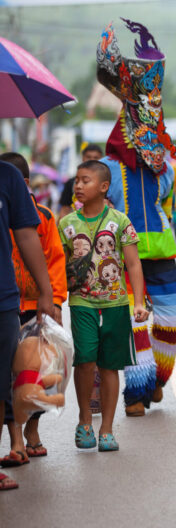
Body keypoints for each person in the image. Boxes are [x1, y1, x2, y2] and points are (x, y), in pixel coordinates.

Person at [96, 19, 176, 416]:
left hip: (162, 250)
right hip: (122, 255)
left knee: (174, 314)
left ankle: (156, 380)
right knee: (136, 318)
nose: (152, 120)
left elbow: (167, 199)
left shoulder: (164, 167)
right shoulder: (106, 168)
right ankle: (135, 391)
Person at [59, 160, 148, 452]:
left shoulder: (120, 222)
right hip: (82, 302)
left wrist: (138, 301)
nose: (79, 186)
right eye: (77, 181)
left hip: (116, 304)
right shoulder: (67, 224)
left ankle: (107, 429)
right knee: (85, 359)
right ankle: (85, 420)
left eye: (85, 180)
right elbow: (58, 266)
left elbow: (133, 263)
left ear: (104, 187)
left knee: (110, 366)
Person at [0, 152, 66, 468]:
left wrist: (52, 299)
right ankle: (14, 438)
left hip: (32, 308)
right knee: (8, 377)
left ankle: (32, 430)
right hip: (10, 305)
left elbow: (53, 260)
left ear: (22, 184)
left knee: (36, 374)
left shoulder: (44, 218)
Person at [58, 143, 103, 219]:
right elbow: (65, 209)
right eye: (88, 157)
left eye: (96, 158)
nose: (92, 160)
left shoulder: (107, 182)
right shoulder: (71, 183)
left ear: (102, 159)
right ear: (83, 158)